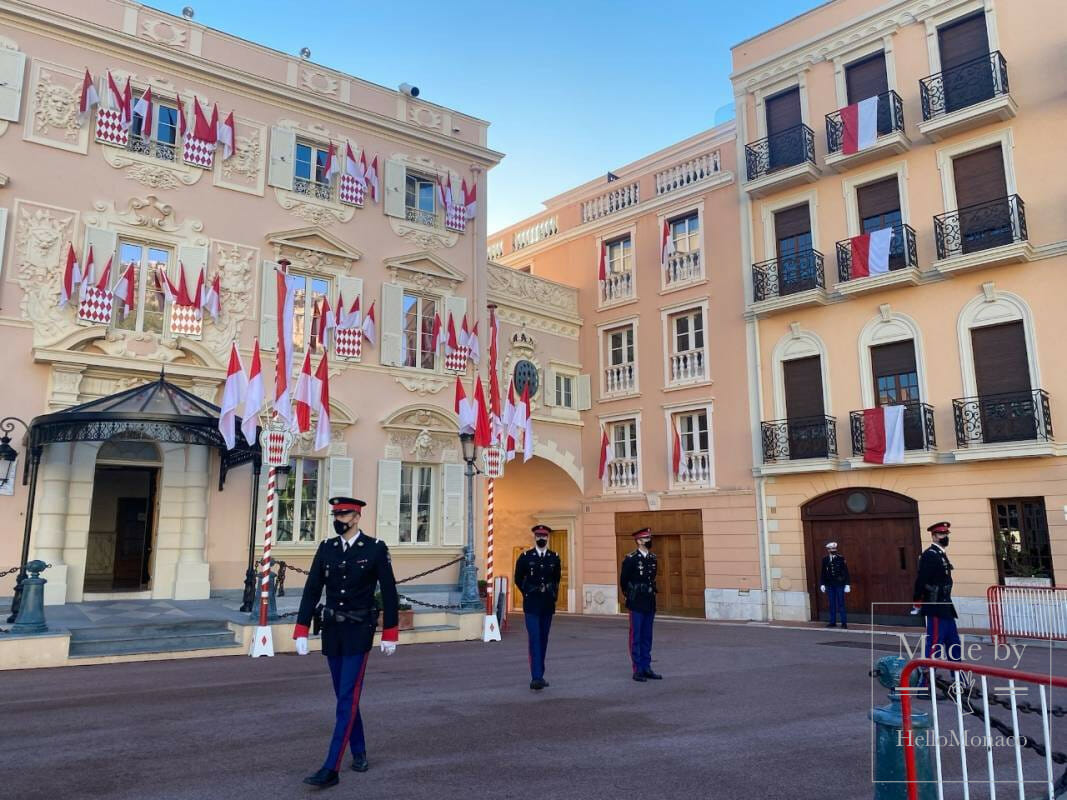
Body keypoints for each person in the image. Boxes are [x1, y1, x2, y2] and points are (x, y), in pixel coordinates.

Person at [293, 496, 399, 789]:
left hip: (358, 630)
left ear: (356, 517)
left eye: (343, 514)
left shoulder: (375, 549)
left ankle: (331, 768)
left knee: (345, 698)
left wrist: (390, 632)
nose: (338, 519)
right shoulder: (327, 548)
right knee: (345, 696)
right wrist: (301, 629)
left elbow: (389, 592)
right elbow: (312, 588)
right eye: (336, 514)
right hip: (332, 630)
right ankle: (360, 750)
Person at [513, 523, 562, 691]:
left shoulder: (554, 558)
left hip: (547, 604)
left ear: (548, 538)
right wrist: (528, 592)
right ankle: (536, 677)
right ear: (534, 537)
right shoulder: (525, 557)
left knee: (543, 639)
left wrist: (553, 595)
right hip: (532, 604)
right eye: (539, 536)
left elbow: (556, 579)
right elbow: (518, 579)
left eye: (544, 536)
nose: (542, 538)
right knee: (534, 638)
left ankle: (540, 673)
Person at [912, 521, 961, 663]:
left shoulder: (940, 553)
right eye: (941, 534)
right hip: (935, 606)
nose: (944, 537)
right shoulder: (930, 555)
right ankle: (927, 678)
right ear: (933, 537)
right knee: (935, 644)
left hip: (945, 605)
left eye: (946, 534)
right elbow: (921, 580)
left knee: (953, 643)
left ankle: (958, 678)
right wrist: (917, 600)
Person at [619, 527, 661, 682]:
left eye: (649, 538)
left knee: (647, 636)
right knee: (636, 636)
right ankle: (637, 669)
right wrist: (631, 595)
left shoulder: (652, 558)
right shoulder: (630, 559)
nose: (649, 541)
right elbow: (623, 581)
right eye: (645, 539)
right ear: (638, 541)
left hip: (649, 601)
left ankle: (647, 666)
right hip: (636, 602)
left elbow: (653, 577)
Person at [819, 541, 851, 629]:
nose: (834, 550)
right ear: (828, 550)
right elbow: (823, 573)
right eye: (832, 549)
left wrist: (847, 584)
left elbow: (846, 572)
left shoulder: (840, 558)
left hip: (839, 584)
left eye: (834, 548)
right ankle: (832, 622)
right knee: (831, 604)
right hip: (829, 585)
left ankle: (844, 622)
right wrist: (822, 584)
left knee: (841, 603)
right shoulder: (825, 559)